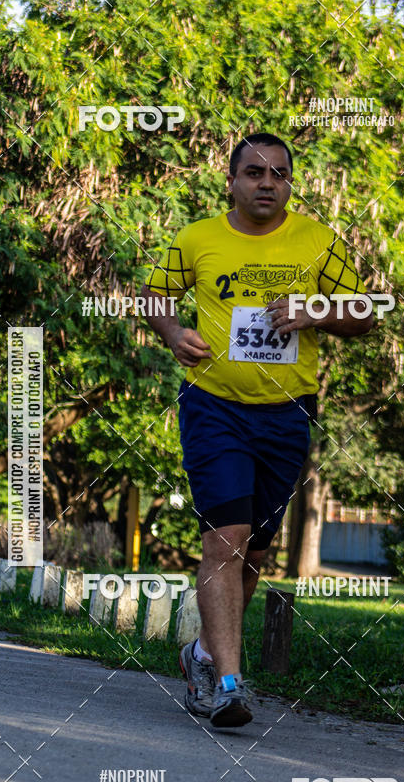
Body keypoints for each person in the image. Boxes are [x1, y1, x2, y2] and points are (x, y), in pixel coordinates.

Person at [143, 133, 373, 728]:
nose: (266, 182)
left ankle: (199, 655)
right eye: (253, 172)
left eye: (278, 173)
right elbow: (155, 297)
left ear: (290, 183)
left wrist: (314, 310)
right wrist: (173, 334)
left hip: (287, 412)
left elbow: (365, 312)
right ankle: (225, 685)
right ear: (232, 182)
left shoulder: (320, 241)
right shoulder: (197, 238)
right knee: (225, 539)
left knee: (252, 555)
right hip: (214, 405)